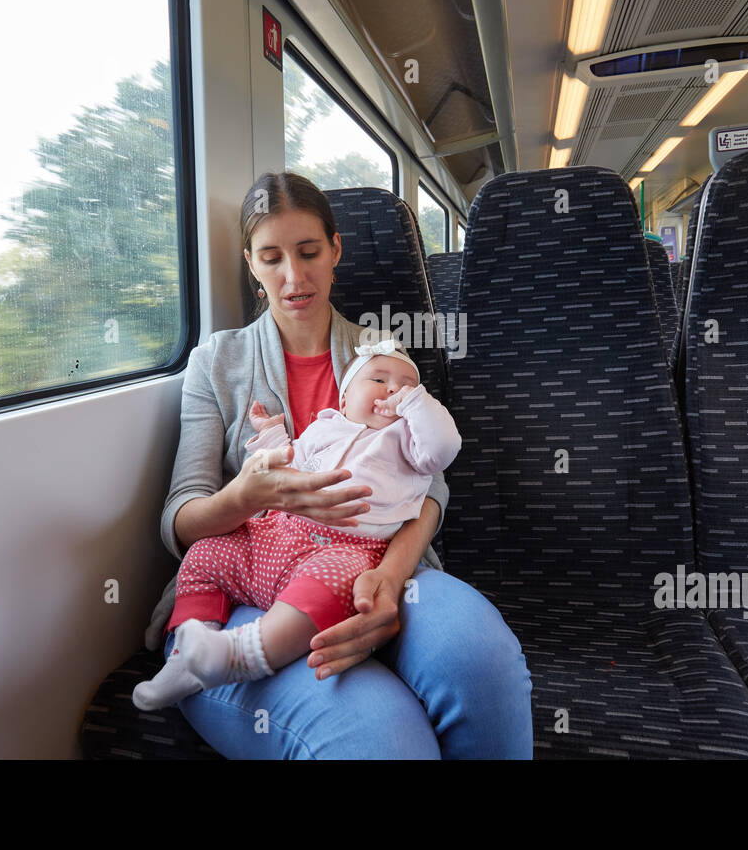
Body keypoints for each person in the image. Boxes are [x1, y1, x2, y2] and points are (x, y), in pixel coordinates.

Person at [142, 170, 532, 758]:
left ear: (336, 251)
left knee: (479, 657)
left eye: (308, 252)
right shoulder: (215, 363)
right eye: (272, 257)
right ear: (251, 263)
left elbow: (431, 491)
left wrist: (388, 578)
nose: (293, 277)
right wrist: (252, 494)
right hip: (245, 591)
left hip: (372, 560)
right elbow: (180, 519)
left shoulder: (381, 355)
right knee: (384, 741)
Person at [131, 340, 460, 709]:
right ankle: (186, 657)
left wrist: (417, 405)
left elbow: (443, 447)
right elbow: (288, 466)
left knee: (324, 591)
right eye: (380, 380)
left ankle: (240, 657)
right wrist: (271, 438)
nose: (393, 390)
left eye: (406, 385)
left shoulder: (409, 444)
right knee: (208, 553)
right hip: (280, 533)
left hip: (349, 549)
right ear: (344, 401)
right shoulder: (326, 428)